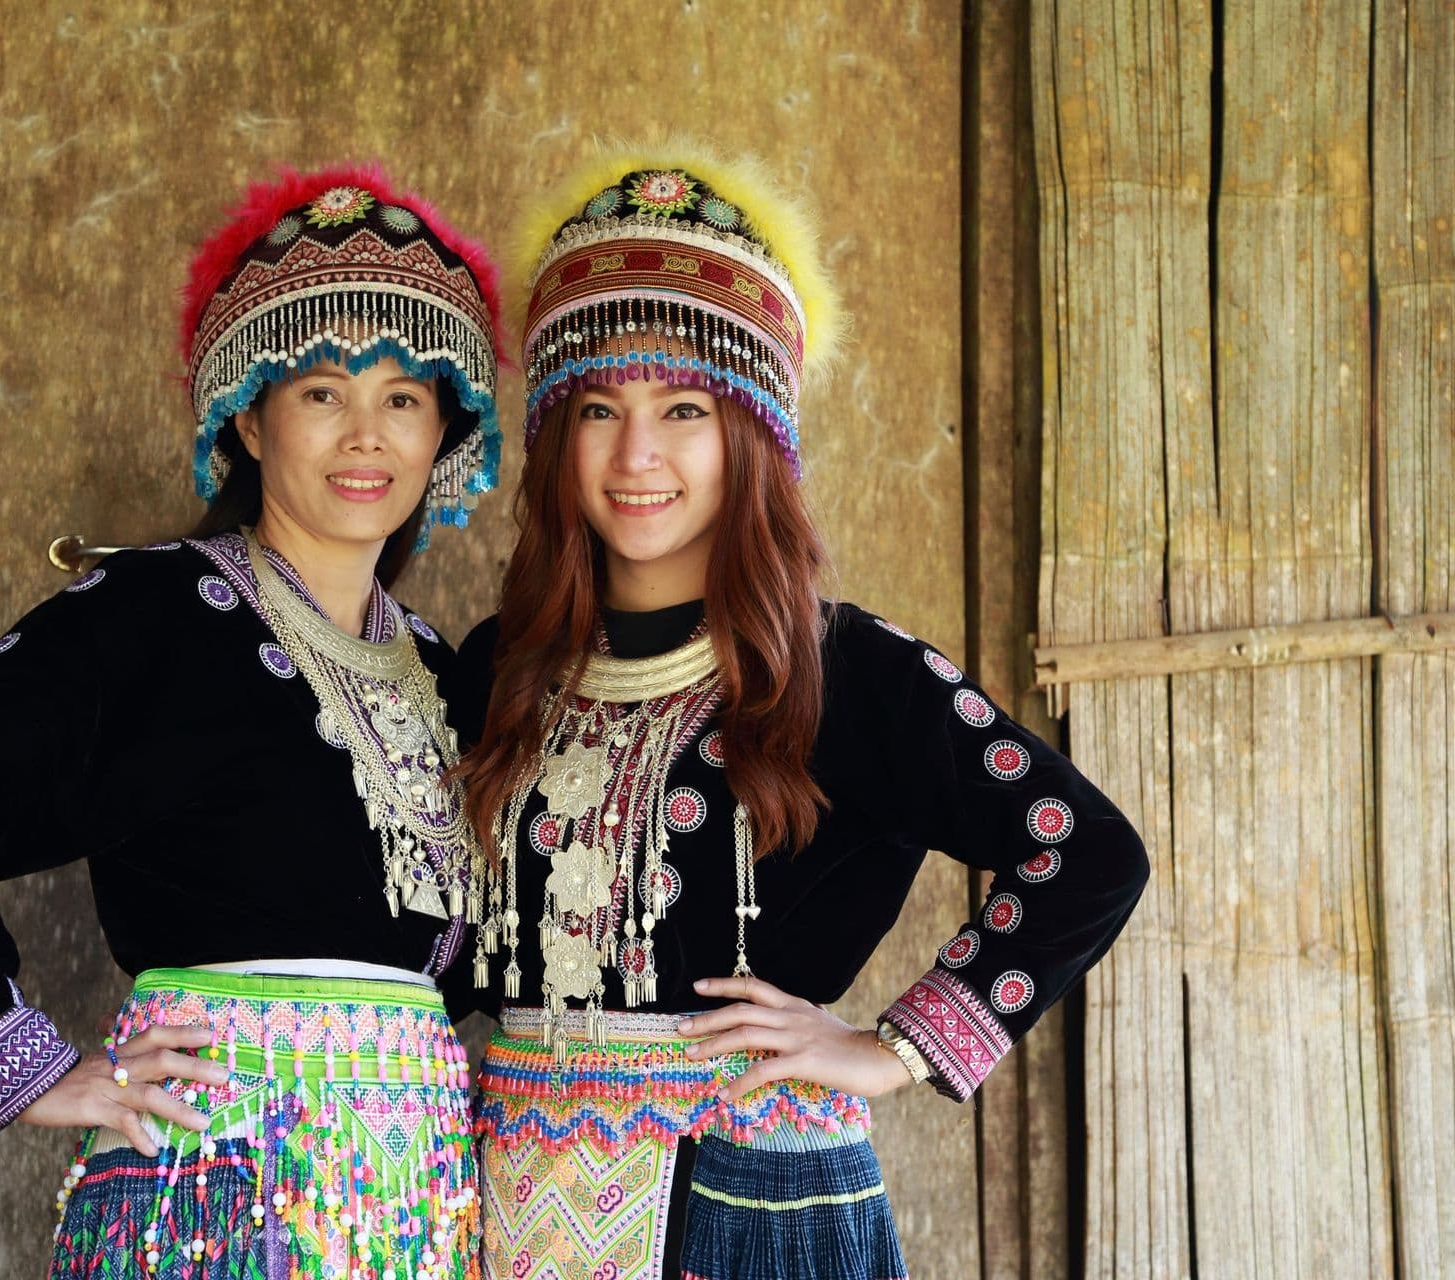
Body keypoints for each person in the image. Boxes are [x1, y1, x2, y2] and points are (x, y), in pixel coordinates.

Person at [446, 147, 1150, 1280]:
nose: (638, 455)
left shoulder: (842, 668)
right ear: (553, 435)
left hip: (755, 1199)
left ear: (752, 434)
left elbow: (1090, 853)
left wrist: (895, 1045)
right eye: (598, 409)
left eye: (684, 407)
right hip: (510, 1198)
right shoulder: (501, 668)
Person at [0, 164, 506, 1278]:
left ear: (444, 435)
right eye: (323, 392)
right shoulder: (151, 615)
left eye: (403, 398)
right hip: (205, 1186)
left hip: (413, 1198)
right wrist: (28, 1066)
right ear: (248, 415)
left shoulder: (437, 669)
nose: (366, 436)